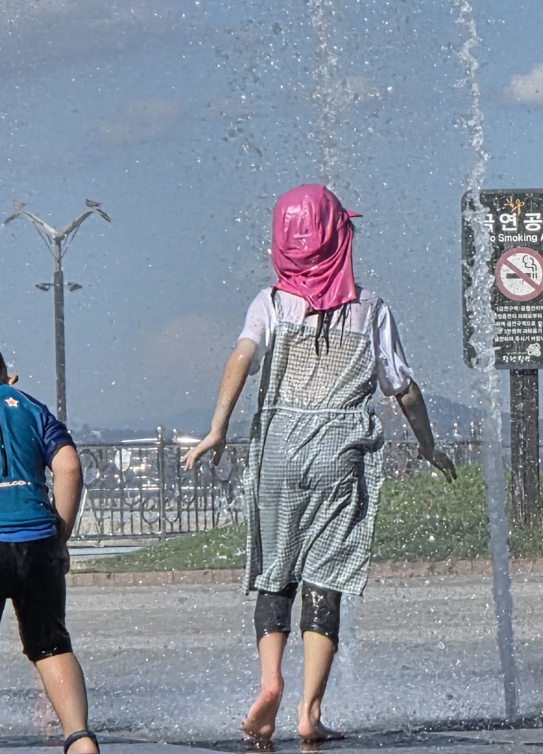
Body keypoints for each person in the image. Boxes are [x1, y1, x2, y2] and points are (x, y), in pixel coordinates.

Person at [182, 184, 456, 742]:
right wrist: (427, 446)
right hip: (340, 450)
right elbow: (402, 389)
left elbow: (242, 356)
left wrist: (216, 429)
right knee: (325, 579)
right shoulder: (370, 308)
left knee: (273, 572)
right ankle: (308, 712)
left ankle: (269, 683)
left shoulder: (270, 304)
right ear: (340, 238)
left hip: (279, 449)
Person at [0, 334, 98, 754]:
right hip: (37, 542)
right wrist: (59, 537)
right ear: (0, 372)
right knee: (51, 645)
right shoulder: (29, 405)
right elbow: (69, 468)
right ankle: (80, 740)